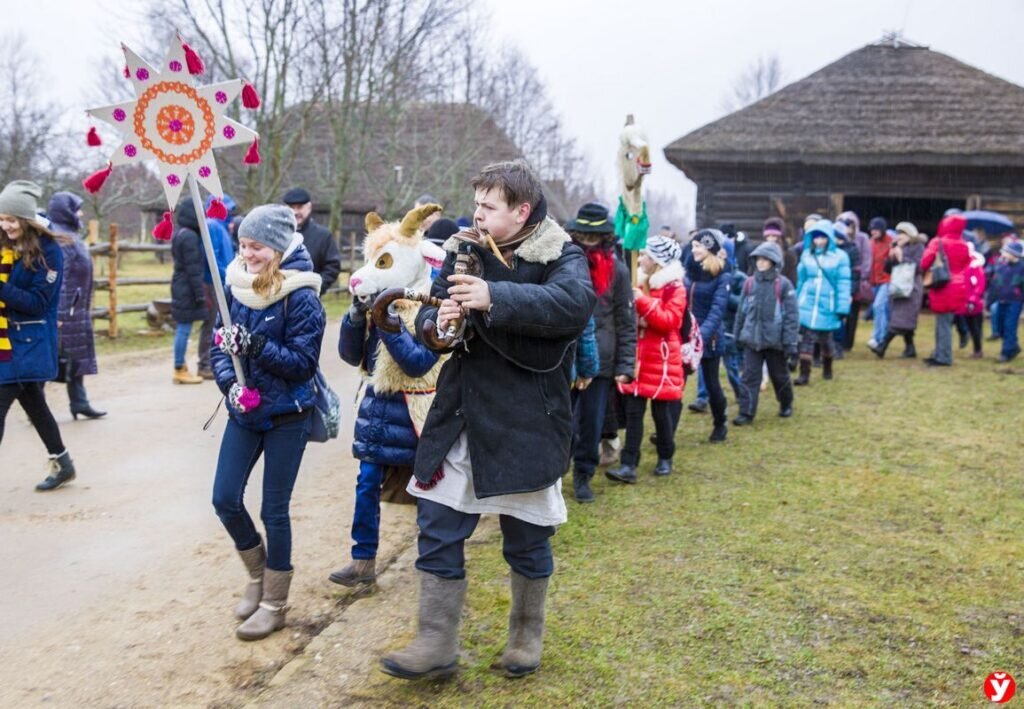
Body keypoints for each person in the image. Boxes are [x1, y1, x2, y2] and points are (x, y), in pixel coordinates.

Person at [380, 160, 594, 681]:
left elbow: (574, 304)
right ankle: (435, 643)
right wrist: (440, 326)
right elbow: (432, 314)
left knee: (526, 536)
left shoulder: (561, 254)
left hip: (528, 420)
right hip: (462, 412)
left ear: (522, 211)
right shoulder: (461, 249)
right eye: (475, 202)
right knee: (437, 524)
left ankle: (525, 636)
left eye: (488, 206)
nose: (475, 213)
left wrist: (494, 295)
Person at [210, 204, 326, 641]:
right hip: (246, 411)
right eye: (243, 244)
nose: (247, 253)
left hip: (287, 415)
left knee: (273, 510)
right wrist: (230, 386)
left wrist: (254, 344)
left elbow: (302, 364)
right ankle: (256, 576)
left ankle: (275, 603)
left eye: (256, 246)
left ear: (277, 247)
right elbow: (218, 348)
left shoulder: (302, 296)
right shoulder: (234, 287)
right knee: (224, 499)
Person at [331, 206, 445, 588]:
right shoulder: (376, 303)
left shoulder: (432, 310)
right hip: (379, 407)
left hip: (419, 409)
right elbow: (351, 356)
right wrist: (356, 317)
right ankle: (363, 561)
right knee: (366, 484)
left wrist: (388, 322)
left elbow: (416, 363)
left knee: (429, 489)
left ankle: (434, 562)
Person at [0, 180, 77, 490]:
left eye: (11, 220)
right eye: (1, 218)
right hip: (7, 341)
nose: (5, 225)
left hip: (28, 345)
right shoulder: (5, 243)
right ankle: (64, 464)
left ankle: (63, 464)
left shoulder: (50, 254)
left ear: (26, 220)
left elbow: (37, 303)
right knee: (35, 404)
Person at [565, 202, 635, 502]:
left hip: (601, 360)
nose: (588, 241)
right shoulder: (563, 263)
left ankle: (583, 474)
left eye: (593, 236)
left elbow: (625, 319)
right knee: (560, 418)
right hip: (564, 356)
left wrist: (625, 363)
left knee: (591, 423)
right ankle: (553, 474)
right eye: (584, 235)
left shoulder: (618, 270)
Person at [604, 235, 684, 483]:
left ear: (659, 260)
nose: (643, 259)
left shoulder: (675, 288)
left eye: (648, 255)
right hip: (638, 357)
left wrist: (643, 302)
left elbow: (670, 321)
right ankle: (629, 464)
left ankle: (665, 456)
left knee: (662, 414)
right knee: (634, 413)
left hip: (661, 359)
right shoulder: (637, 281)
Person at [48, 191, 105, 419]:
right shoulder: (60, 238)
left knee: (74, 358)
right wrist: (60, 313)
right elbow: (58, 277)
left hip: (77, 308)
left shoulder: (69, 234)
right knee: (54, 359)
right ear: (66, 211)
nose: (81, 213)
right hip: (68, 309)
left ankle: (79, 402)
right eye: (77, 208)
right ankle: (36, 407)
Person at [732, 241, 798, 424]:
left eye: (765, 259)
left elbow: (791, 317)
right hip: (752, 340)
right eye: (758, 259)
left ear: (774, 261)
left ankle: (786, 403)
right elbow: (742, 311)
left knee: (779, 375)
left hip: (775, 341)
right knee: (750, 376)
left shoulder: (784, 285)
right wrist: (737, 335)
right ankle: (746, 412)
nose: (761, 263)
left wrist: (790, 343)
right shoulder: (749, 283)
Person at [682, 229, 730, 441]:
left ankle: (720, 424)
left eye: (699, 246)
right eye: (693, 246)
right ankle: (667, 431)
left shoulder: (722, 276)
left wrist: (699, 336)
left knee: (712, 384)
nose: (694, 250)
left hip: (709, 339)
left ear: (710, 249)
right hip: (684, 336)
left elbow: (717, 310)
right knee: (677, 385)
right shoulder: (688, 272)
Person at [794, 219, 851, 385]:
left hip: (829, 303)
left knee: (826, 339)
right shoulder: (806, 254)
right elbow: (801, 280)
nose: (819, 241)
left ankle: (827, 367)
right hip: (808, 302)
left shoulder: (840, 257)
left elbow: (843, 283)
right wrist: (796, 301)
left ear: (829, 238)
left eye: (822, 238)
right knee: (807, 338)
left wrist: (842, 308)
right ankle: (804, 374)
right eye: (816, 238)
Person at [920, 214, 971, 367]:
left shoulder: (938, 242)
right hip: (958, 285)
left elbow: (924, 262)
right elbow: (966, 264)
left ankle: (943, 357)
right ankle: (939, 353)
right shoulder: (964, 244)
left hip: (942, 285)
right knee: (945, 321)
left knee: (943, 323)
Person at [870, 222, 926, 359]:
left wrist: (902, 258)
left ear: (910, 234)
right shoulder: (897, 247)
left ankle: (882, 346)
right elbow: (888, 269)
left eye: (902, 233)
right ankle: (910, 349)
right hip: (898, 286)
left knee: (899, 320)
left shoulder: (918, 247)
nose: (899, 236)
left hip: (911, 288)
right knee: (904, 319)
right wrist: (890, 257)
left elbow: (919, 267)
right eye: (898, 233)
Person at [197, 194, 238, 379]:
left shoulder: (222, 228)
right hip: (214, 283)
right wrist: (226, 275)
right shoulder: (212, 226)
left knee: (222, 322)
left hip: (224, 282)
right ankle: (205, 363)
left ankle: (219, 360)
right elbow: (212, 257)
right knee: (212, 322)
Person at [169, 197, 209, 384]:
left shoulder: (180, 233)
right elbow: (193, 268)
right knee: (184, 329)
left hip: (180, 284)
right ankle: (179, 368)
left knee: (183, 328)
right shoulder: (190, 237)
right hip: (186, 287)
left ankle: (181, 365)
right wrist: (200, 294)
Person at [281, 188, 342, 294]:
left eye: (299, 207)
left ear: (309, 207)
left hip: (309, 299)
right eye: (291, 208)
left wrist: (316, 288)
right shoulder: (277, 234)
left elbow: (332, 267)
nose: (295, 212)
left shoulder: (323, 235)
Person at [992, 240, 1024, 362]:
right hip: (1001, 299)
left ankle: (1006, 352)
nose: (1003, 254)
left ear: (1013, 254)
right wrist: (991, 299)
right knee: (1000, 326)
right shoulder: (1002, 267)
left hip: (1015, 301)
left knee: (1010, 326)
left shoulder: (1022, 268)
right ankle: (1013, 347)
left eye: (1006, 252)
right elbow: (995, 283)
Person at [866, 217, 892, 348]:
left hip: (887, 280)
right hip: (874, 281)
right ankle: (882, 336)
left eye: (876, 229)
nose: (873, 232)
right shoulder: (870, 243)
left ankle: (878, 338)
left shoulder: (891, 242)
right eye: (872, 229)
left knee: (878, 306)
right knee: (881, 310)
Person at [958, 242, 987, 358]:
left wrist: (973, 299)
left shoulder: (975, 266)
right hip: (963, 302)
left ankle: (978, 350)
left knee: (975, 327)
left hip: (974, 303)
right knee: (968, 325)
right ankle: (974, 347)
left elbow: (980, 285)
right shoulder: (961, 264)